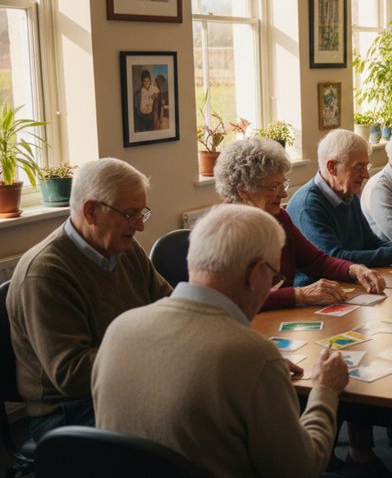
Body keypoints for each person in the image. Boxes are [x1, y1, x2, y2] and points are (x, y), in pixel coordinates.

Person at [92, 204, 348, 478]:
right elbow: (303, 468)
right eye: (274, 278)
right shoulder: (252, 355)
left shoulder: (119, 329)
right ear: (255, 273)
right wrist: (325, 390)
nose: (271, 287)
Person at [6, 158, 171, 439]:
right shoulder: (46, 272)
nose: (140, 227)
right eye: (130, 215)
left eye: (142, 214)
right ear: (92, 211)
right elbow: (72, 374)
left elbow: (168, 306)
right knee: (184, 428)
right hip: (67, 413)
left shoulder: (125, 250)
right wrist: (154, 353)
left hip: (124, 387)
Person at [214, 138, 385, 311]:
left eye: (283, 184)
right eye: (274, 187)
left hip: (281, 317)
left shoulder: (279, 217)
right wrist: (298, 294)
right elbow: (233, 297)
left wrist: (355, 270)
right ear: (243, 191)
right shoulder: (222, 229)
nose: (283, 193)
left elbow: (316, 262)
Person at [288, 129, 392, 269]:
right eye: (359, 167)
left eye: (366, 166)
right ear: (332, 167)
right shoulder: (308, 204)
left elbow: (371, 242)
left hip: (351, 281)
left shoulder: (347, 193)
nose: (366, 175)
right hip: (317, 290)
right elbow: (335, 258)